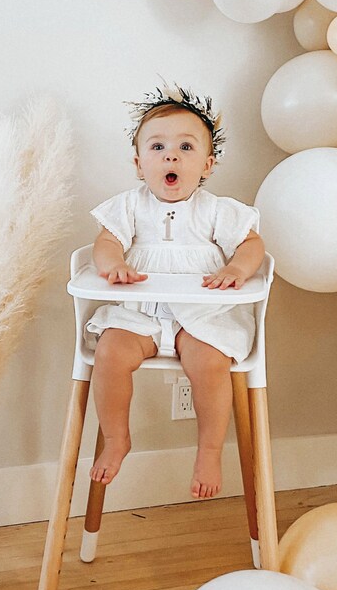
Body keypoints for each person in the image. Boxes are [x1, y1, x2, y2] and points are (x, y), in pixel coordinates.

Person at [86, 84, 265, 499]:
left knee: (210, 363)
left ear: (207, 165)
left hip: (200, 316)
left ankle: (209, 450)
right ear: (138, 163)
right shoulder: (129, 207)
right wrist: (112, 263)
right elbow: (106, 241)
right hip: (141, 314)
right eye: (158, 147)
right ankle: (116, 438)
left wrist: (236, 268)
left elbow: (252, 245)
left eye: (186, 147)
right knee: (110, 353)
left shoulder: (216, 210)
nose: (171, 156)